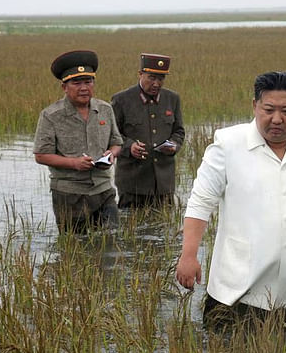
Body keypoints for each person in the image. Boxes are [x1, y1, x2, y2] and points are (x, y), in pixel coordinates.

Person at [175, 71, 286, 328]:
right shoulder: (228, 144)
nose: (277, 119)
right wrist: (188, 255)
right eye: (268, 109)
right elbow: (201, 202)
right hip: (237, 288)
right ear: (254, 105)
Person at [34, 50, 123, 234]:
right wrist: (74, 163)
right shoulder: (51, 115)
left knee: (111, 241)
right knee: (74, 247)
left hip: (103, 189)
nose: (84, 88)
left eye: (88, 82)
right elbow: (41, 155)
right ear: (64, 87)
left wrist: (111, 154)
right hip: (69, 194)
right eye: (77, 83)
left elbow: (116, 142)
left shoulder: (105, 109)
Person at [110, 53, 185, 208]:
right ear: (140, 74)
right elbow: (112, 135)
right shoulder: (121, 100)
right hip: (133, 184)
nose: (156, 83)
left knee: (164, 227)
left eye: (161, 78)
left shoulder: (172, 99)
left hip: (164, 183)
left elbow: (179, 131)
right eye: (151, 78)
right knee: (132, 229)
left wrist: (174, 145)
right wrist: (129, 146)